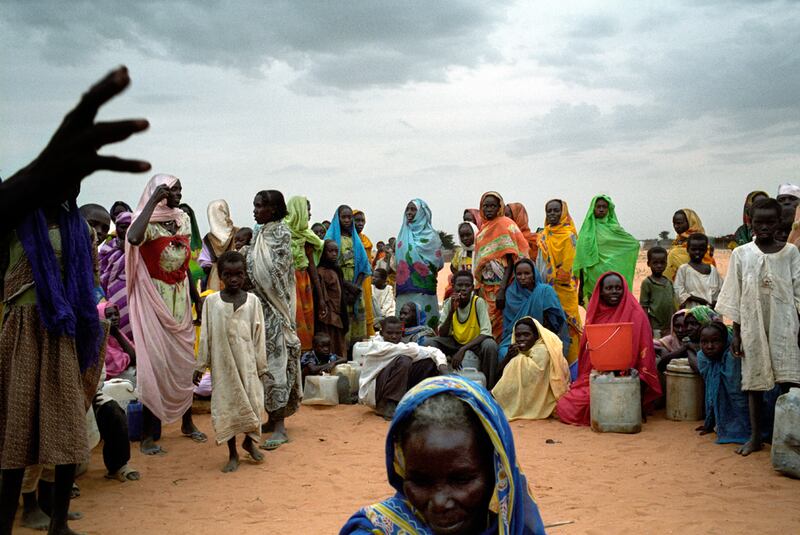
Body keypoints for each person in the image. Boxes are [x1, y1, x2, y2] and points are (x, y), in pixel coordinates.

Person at [0, 193, 102, 535]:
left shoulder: (82, 229)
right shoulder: (16, 223)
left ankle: (58, 522)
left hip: (64, 334)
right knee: (18, 430)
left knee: (67, 427)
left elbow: (92, 282)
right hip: (23, 332)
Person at [340, 375, 546, 535]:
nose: (439, 503)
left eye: (461, 480)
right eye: (420, 481)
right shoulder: (377, 529)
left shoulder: (516, 527)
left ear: (497, 470)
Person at [0, 66, 150, 232]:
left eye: (75, 178)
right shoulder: (20, 225)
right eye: (63, 178)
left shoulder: (81, 232)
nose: (99, 231)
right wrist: (32, 180)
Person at [126, 174, 206, 455]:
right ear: (158, 192)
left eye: (180, 190)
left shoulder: (182, 219)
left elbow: (185, 265)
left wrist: (196, 298)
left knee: (183, 361)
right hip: (154, 298)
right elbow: (133, 238)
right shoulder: (145, 223)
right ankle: (149, 434)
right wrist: (151, 202)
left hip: (180, 297)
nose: (178, 194)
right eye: (172, 190)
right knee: (156, 363)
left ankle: (187, 422)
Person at [715, 197, 800, 456]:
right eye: (759, 222)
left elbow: (798, 291)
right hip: (752, 324)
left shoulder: (790, 253)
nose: (764, 227)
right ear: (750, 223)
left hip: (785, 324)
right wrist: (736, 334)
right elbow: (736, 294)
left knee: (788, 380)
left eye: (770, 222)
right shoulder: (741, 254)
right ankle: (755, 437)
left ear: (779, 223)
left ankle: (785, 436)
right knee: (754, 381)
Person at [556, 272, 662, 426]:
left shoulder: (636, 314)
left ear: (624, 289)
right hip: (598, 374)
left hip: (627, 376)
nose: (614, 292)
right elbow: (588, 353)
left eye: (618, 288)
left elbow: (644, 353)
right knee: (566, 405)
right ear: (601, 291)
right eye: (609, 288)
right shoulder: (596, 314)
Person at [193, 251, 266, 472]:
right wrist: (200, 366)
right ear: (220, 276)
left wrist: (262, 367)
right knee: (228, 408)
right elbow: (205, 336)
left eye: (239, 274)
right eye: (228, 275)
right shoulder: (212, 302)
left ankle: (249, 442)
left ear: (245, 274)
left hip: (248, 365)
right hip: (223, 366)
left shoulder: (253, 302)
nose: (234, 279)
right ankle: (232, 453)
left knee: (254, 403)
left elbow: (259, 336)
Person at [247, 190, 302, 451]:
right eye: (255, 205)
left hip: (276, 309)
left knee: (277, 363)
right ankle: (271, 418)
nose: (255, 210)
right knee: (263, 363)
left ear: (274, 209)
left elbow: (273, 272)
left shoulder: (281, 233)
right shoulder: (259, 232)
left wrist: (251, 273)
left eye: (260, 206)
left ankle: (280, 426)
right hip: (259, 309)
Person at [358, 317, 447, 419]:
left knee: (428, 363)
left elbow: (432, 352)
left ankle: (416, 400)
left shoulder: (400, 346)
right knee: (404, 360)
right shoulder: (379, 346)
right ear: (382, 333)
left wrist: (441, 365)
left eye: (397, 333)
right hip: (375, 393)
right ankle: (386, 404)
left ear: (402, 333)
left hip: (388, 383)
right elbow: (422, 351)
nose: (394, 336)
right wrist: (443, 366)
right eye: (389, 333)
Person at [424, 272, 500, 389]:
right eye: (459, 285)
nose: (463, 289)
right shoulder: (449, 303)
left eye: (467, 285)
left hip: (475, 343)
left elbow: (486, 333)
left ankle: (490, 387)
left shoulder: (478, 302)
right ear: (453, 287)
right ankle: (433, 384)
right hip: (455, 341)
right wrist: (451, 311)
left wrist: (463, 350)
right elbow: (442, 333)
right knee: (429, 343)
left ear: (472, 288)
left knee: (490, 345)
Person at [473, 192, 529, 338]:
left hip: (504, 285)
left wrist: (502, 289)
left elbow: (511, 260)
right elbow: (479, 261)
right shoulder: (482, 230)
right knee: (487, 325)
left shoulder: (505, 224)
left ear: (499, 207)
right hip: (486, 288)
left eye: (492, 206)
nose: (488, 209)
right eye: (485, 206)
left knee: (503, 325)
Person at [536, 198, 583, 371]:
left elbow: (568, 268)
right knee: (548, 328)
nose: (552, 214)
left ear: (563, 213)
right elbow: (539, 264)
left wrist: (552, 278)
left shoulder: (570, 236)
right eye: (549, 211)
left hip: (565, 291)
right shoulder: (543, 236)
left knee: (569, 329)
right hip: (545, 291)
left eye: (556, 210)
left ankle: (572, 368)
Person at [493, 317, 571, 420]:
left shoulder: (543, 351)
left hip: (546, 401)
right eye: (518, 335)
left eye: (526, 335)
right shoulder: (521, 352)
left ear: (536, 336)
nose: (521, 339)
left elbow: (534, 379)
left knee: (518, 361)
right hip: (530, 396)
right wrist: (508, 357)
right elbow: (498, 375)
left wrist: (515, 360)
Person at [499, 259, 569, 367]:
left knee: (542, 354)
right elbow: (509, 327)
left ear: (534, 274)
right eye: (519, 274)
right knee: (503, 352)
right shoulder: (511, 294)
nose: (523, 277)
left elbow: (555, 323)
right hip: (516, 338)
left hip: (542, 338)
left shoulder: (545, 291)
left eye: (527, 273)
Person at [696, 321, 756, 445]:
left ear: (725, 341)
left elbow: (738, 396)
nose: (709, 346)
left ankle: (750, 431)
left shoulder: (733, 357)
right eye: (704, 342)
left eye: (715, 341)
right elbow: (711, 392)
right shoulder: (702, 357)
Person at [573, 195, 639, 305]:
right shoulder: (586, 232)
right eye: (598, 206)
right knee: (596, 309)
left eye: (604, 207)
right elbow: (582, 260)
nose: (601, 209)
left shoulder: (615, 229)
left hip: (612, 279)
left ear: (609, 209)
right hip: (593, 279)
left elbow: (633, 244)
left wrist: (613, 259)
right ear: (593, 208)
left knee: (614, 307)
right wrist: (581, 288)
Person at [325, 205, 372, 349]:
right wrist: (346, 286)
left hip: (356, 288)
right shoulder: (331, 239)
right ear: (337, 219)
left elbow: (364, 265)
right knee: (341, 321)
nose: (347, 220)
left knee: (357, 326)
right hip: (338, 286)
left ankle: (355, 353)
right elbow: (328, 266)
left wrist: (356, 287)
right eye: (343, 217)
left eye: (349, 217)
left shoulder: (356, 240)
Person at [395, 199, 444, 330]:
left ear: (422, 213)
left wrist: (422, 271)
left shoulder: (432, 237)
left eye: (413, 209)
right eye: (407, 209)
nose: (409, 212)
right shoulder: (402, 235)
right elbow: (397, 263)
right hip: (404, 289)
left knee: (426, 323)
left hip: (425, 291)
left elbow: (439, 264)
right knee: (404, 322)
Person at [285, 196, 324, 351]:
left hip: (304, 282)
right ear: (298, 211)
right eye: (307, 210)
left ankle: (304, 356)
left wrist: (320, 297)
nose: (309, 214)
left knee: (306, 321)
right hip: (288, 282)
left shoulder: (307, 235)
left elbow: (311, 265)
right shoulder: (281, 234)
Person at [99, 210, 134, 338]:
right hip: (112, 295)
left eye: (130, 227)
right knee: (115, 331)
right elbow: (101, 272)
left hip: (135, 294)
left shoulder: (141, 249)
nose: (126, 231)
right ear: (116, 228)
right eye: (123, 227)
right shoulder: (107, 248)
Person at [315, 240, 349, 359]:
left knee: (338, 340)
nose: (334, 254)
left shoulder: (335, 270)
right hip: (329, 315)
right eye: (330, 251)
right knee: (330, 340)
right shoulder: (321, 272)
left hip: (338, 312)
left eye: (336, 251)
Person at [673, 233, 723, 308]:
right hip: (691, 311)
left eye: (701, 249)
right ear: (687, 249)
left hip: (710, 312)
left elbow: (721, 290)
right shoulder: (683, 269)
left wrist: (715, 302)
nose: (697, 252)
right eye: (694, 249)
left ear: (706, 250)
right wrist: (697, 299)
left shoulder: (712, 269)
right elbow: (678, 290)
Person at [199, 199, 239, 292]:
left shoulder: (208, 239)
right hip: (236, 274)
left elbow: (205, 264)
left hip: (215, 277)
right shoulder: (238, 232)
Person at [664, 208, 714, 281]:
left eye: (679, 223)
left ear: (690, 222)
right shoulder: (678, 241)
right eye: (674, 223)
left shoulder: (698, 241)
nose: (676, 226)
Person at [639, 246, 676, 337]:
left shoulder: (669, 282)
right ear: (648, 264)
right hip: (655, 327)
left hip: (670, 326)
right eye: (655, 263)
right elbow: (644, 306)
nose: (659, 266)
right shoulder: (647, 283)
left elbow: (672, 304)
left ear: (666, 263)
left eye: (662, 263)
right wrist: (647, 327)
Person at [98, 302, 136, 382]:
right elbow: (131, 360)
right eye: (109, 316)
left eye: (116, 314)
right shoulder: (100, 341)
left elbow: (135, 355)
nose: (114, 318)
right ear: (101, 318)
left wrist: (117, 333)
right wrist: (117, 333)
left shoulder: (116, 333)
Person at [354, 210, 376, 338]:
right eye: (357, 220)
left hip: (365, 280)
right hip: (352, 278)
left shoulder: (366, 240)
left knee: (366, 306)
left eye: (362, 221)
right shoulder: (346, 240)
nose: (360, 223)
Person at [178, 202, 208, 290]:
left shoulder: (202, 243)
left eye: (188, 214)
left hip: (200, 283)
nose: (186, 217)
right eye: (182, 214)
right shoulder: (170, 240)